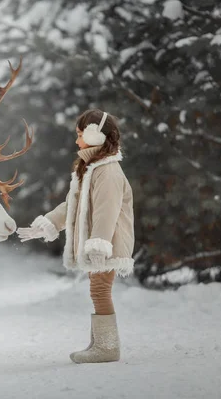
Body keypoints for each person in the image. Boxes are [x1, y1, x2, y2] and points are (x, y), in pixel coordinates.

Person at [17, 109, 135, 364]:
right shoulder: (91, 169)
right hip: (101, 243)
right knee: (98, 290)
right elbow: (72, 206)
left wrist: (99, 243)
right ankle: (100, 344)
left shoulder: (108, 172)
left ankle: (106, 348)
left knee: (100, 290)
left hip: (107, 244)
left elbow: (107, 210)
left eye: (81, 134)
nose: (77, 140)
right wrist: (46, 225)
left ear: (96, 136)